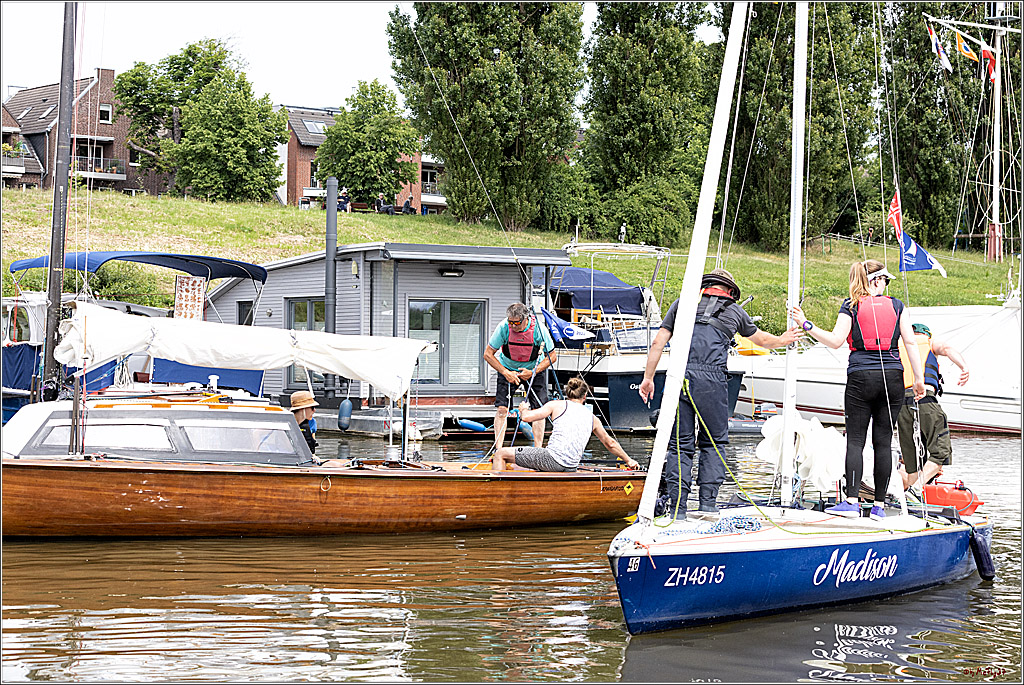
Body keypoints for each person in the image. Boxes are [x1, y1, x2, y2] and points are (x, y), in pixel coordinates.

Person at [639, 269, 800, 518]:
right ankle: (708, 505)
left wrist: (648, 379)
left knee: (679, 446)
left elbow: (657, 342)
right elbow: (762, 340)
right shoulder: (734, 311)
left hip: (680, 378)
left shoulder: (683, 304)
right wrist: (784, 339)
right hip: (712, 382)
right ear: (729, 290)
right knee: (713, 443)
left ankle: (678, 510)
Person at [790, 259, 925, 521]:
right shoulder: (898, 306)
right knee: (883, 442)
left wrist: (806, 324)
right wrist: (918, 379)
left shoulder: (851, 306)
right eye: (885, 280)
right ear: (877, 280)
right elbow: (910, 342)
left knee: (855, 440)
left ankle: (851, 502)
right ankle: (879, 507)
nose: (886, 286)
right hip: (893, 378)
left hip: (861, 377)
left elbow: (835, 341)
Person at [492, 376, 640, 471]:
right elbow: (610, 443)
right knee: (519, 465)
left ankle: (495, 495)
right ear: (585, 396)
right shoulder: (593, 418)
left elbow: (526, 417)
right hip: (571, 466)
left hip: (551, 459)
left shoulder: (557, 405)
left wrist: (523, 409)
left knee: (500, 454)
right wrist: (629, 460)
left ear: (567, 394)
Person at [895, 323, 969, 490]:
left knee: (912, 462)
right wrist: (964, 367)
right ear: (926, 334)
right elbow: (947, 349)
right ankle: (916, 489)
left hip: (901, 406)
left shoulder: (897, 347)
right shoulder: (929, 343)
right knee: (940, 453)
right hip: (925, 400)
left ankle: (911, 495)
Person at [483, 302, 557, 449]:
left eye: (516, 323)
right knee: (502, 409)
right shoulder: (504, 327)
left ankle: (538, 450)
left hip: (533, 370)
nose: (513, 326)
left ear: (525, 319)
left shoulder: (539, 330)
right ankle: (498, 449)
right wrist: (506, 373)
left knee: (538, 410)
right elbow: (488, 354)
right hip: (508, 369)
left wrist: (533, 372)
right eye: (510, 322)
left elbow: (552, 356)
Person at [290, 390, 319, 455]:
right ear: (302, 409)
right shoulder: (286, 424)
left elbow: (312, 450)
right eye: (312, 407)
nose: (314, 410)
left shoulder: (312, 422)